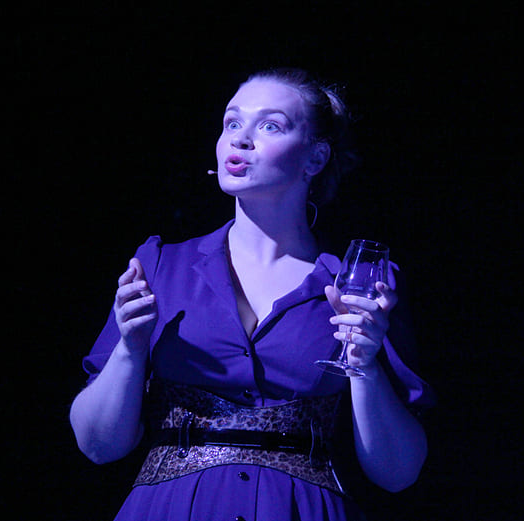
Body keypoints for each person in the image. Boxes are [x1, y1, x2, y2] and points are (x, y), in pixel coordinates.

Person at [69, 68, 434, 520]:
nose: (240, 139)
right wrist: (130, 349)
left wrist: (365, 365)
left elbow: (398, 473)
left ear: (316, 157)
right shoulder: (162, 266)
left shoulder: (358, 286)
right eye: (232, 123)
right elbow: (97, 445)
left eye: (270, 126)